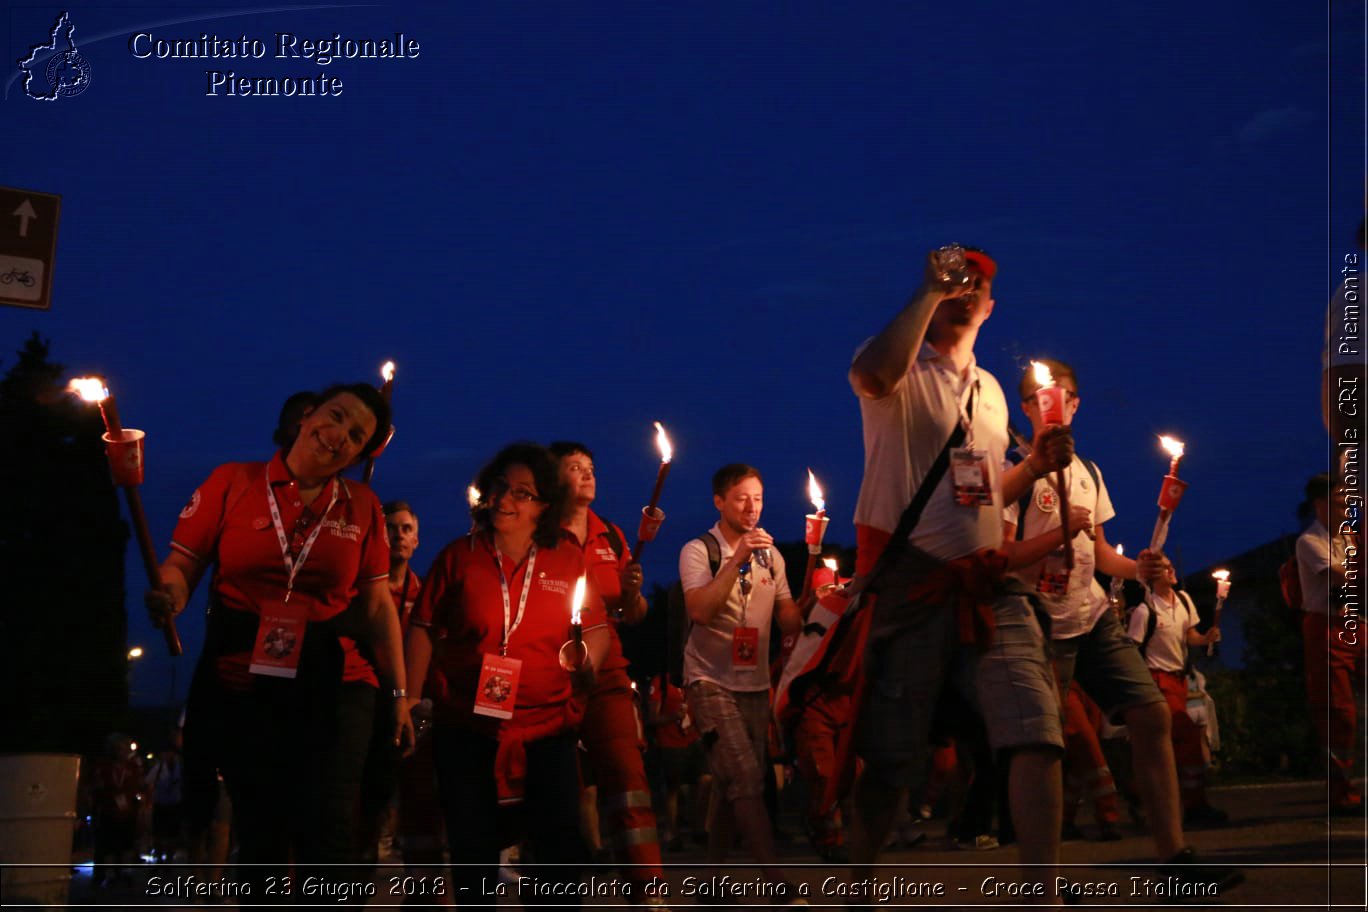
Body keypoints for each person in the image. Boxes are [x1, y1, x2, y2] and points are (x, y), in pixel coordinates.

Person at [845, 246, 1073, 900]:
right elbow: (871, 379)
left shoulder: (993, 393)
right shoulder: (898, 362)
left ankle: (1043, 892)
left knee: (1037, 728)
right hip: (913, 586)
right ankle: (859, 883)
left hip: (985, 583)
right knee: (890, 762)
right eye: (957, 277)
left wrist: (1032, 468)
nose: (967, 285)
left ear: (990, 305)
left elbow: (981, 493)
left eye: (979, 281)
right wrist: (925, 291)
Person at [145, 383, 413, 895]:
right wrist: (169, 596)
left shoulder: (362, 505)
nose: (340, 437)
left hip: (334, 680)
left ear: (362, 453)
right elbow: (180, 568)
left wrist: (398, 695)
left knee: (328, 827)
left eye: (357, 436)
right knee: (262, 830)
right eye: (336, 417)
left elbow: (378, 611)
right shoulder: (232, 481)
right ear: (308, 416)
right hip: (246, 680)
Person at [1004, 357, 1233, 845]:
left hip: (1091, 618)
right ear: (1026, 406)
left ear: (1077, 403)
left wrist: (1141, 570)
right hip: (1040, 624)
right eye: (1040, 395)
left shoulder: (1089, 471)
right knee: (1044, 745)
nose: (1053, 402)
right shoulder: (1011, 472)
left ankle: (1174, 856)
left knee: (1151, 715)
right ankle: (1042, 877)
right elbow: (1001, 556)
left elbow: (1102, 554)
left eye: (1064, 393)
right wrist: (1059, 534)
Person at [404, 443, 594, 905]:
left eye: (523, 493)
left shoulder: (566, 557)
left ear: (545, 505)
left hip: (546, 726)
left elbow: (595, 629)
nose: (506, 499)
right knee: (473, 848)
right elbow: (423, 628)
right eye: (501, 487)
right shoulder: (458, 556)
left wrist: (585, 658)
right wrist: (408, 698)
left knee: (557, 849)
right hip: (467, 726)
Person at [678, 463, 804, 898]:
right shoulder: (699, 550)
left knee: (733, 783)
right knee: (748, 778)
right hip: (709, 679)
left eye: (759, 498)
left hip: (754, 682)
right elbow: (701, 611)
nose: (752, 508)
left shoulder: (774, 556)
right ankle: (775, 881)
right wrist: (737, 559)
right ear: (719, 502)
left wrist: (819, 597)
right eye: (741, 498)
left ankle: (710, 882)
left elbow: (789, 620)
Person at [549, 442, 667, 898]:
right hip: (551, 671)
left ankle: (647, 888)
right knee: (559, 782)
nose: (586, 474)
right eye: (574, 468)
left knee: (625, 773)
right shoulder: (539, 534)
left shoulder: (612, 536)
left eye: (591, 467)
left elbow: (631, 614)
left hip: (609, 675)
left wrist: (634, 593)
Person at [1126, 565, 1225, 825]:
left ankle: (1141, 797)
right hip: (1157, 680)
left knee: (1161, 745)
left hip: (1180, 680)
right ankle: (1194, 807)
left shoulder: (1183, 599)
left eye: (1170, 565)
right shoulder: (1144, 611)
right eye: (1163, 568)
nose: (1171, 570)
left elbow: (1189, 635)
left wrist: (1205, 639)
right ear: (1151, 578)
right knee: (1187, 738)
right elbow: (1131, 650)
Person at [1295, 472, 1365, 814]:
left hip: (1358, 625)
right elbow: (1344, 576)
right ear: (1321, 503)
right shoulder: (1310, 541)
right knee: (1339, 714)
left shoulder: (1351, 537)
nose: (1348, 502)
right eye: (1341, 497)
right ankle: (1341, 793)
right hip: (1326, 630)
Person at [646, 672, 711, 851]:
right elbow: (652, 718)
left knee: (705, 779)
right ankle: (671, 832)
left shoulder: (692, 680)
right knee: (673, 788)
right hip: (671, 742)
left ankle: (699, 827)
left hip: (692, 739)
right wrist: (673, 717)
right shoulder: (661, 683)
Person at [144, 727, 185, 863]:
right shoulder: (159, 767)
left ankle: (168, 858)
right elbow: (149, 783)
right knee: (158, 834)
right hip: (161, 804)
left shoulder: (180, 767)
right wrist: (149, 800)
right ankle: (159, 857)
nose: (169, 756)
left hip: (175, 805)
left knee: (172, 834)